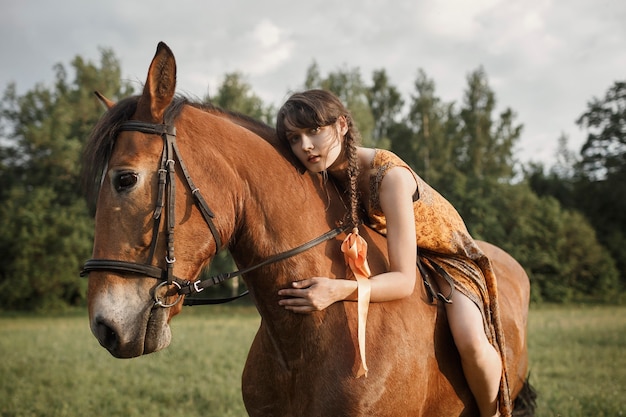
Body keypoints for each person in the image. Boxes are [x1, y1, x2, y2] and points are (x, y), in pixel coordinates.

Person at [275, 89, 510, 417]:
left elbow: (402, 282)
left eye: (314, 131)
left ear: (342, 125)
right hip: (397, 246)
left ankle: (493, 413)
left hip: (445, 255)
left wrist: (337, 290)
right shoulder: (327, 174)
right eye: (294, 138)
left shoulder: (390, 178)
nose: (306, 147)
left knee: (469, 339)